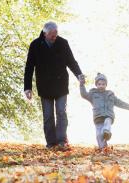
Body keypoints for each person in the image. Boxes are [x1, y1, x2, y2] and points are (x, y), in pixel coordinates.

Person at [24, 21, 85, 150]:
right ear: (45, 33)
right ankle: (51, 143)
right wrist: (27, 87)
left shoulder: (63, 43)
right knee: (48, 115)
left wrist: (79, 74)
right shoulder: (35, 45)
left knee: (61, 112)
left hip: (61, 84)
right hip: (44, 86)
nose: (54, 36)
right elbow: (29, 67)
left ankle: (62, 140)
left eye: (56, 33)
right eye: (52, 34)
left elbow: (71, 61)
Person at [79, 73, 129, 151]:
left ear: (106, 85)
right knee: (99, 135)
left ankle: (107, 132)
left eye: (103, 84)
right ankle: (103, 149)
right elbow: (84, 94)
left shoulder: (110, 95)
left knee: (107, 122)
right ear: (96, 84)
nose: (101, 86)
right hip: (98, 117)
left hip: (108, 116)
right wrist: (81, 84)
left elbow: (121, 103)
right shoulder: (93, 94)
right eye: (99, 84)